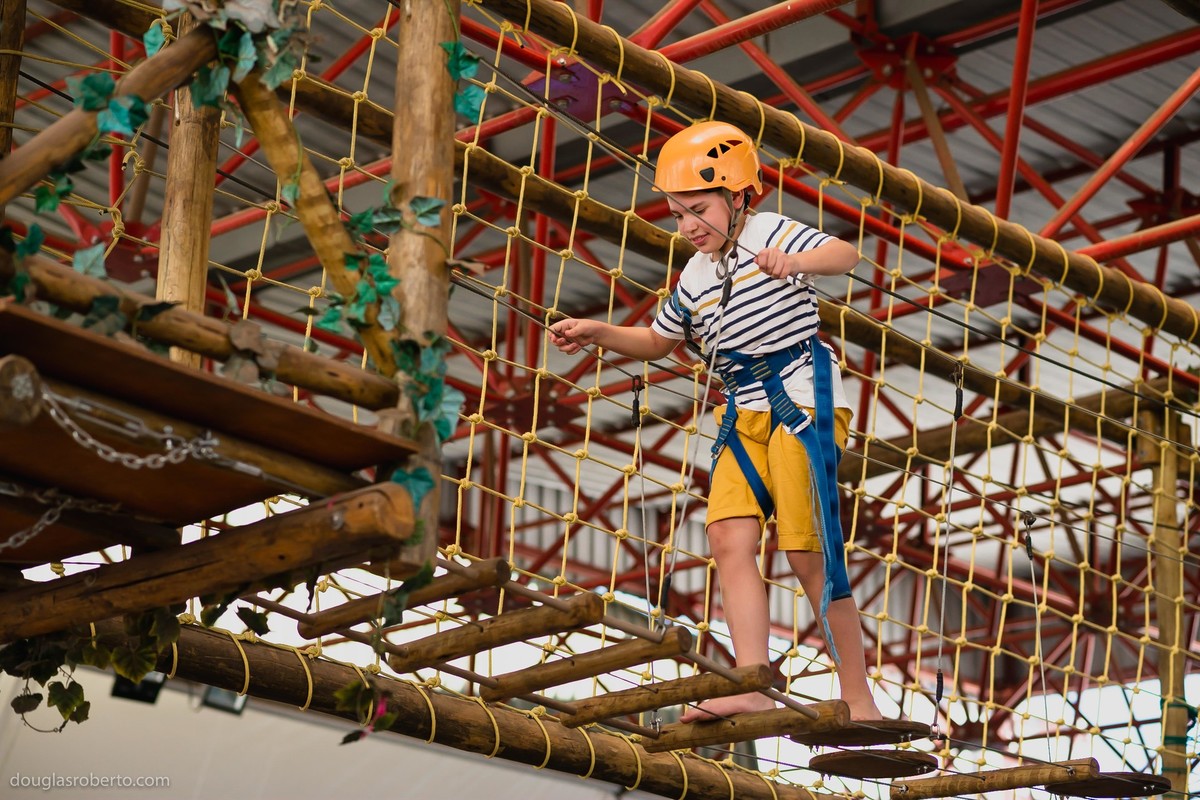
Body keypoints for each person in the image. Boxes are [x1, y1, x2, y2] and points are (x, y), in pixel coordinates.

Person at [549, 120, 881, 723]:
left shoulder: (770, 233)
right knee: (727, 537)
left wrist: (793, 261)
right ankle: (752, 681)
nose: (688, 226)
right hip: (742, 411)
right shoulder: (695, 275)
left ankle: (859, 697)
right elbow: (658, 340)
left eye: (698, 210)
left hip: (803, 400)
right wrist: (599, 332)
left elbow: (846, 254)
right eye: (678, 215)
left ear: (739, 196)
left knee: (807, 553)